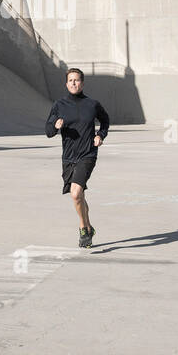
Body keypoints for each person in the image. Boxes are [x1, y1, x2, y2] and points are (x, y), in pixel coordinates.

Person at [45, 68, 110, 248]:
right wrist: (56, 126)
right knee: (79, 196)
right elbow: (48, 131)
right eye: (70, 80)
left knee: (75, 194)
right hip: (68, 158)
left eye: (77, 80)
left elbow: (105, 120)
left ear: (82, 83)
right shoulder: (59, 105)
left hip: (87, 154)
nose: (73, 83)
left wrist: (100, 135)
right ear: (66, 84)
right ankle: (89, 228)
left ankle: (83, 229)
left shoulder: (92, 104)